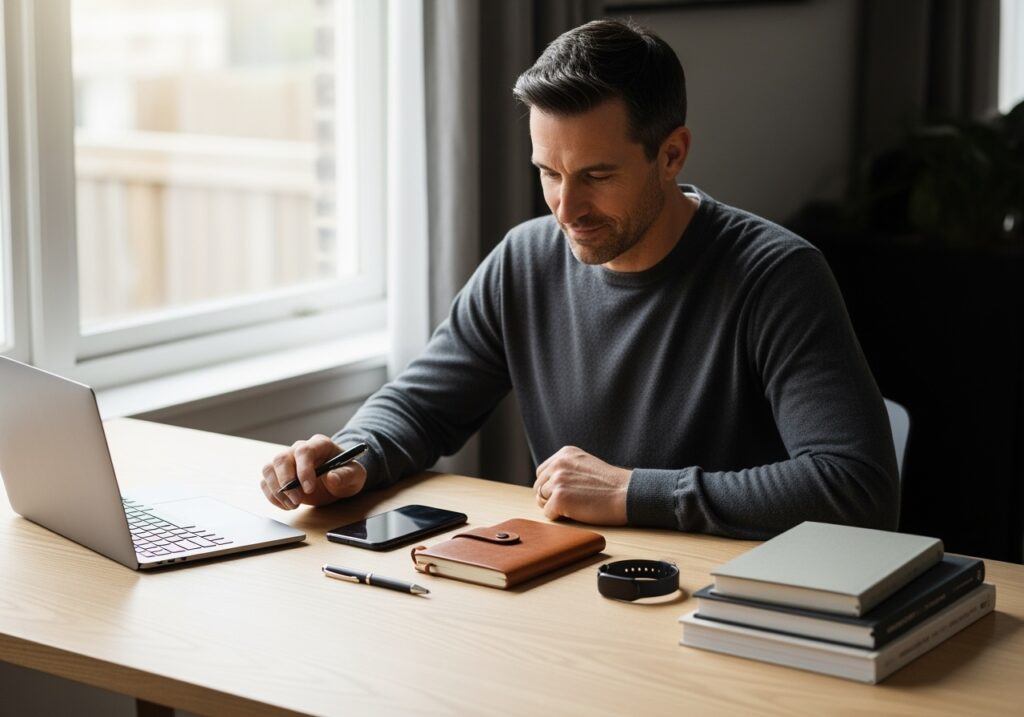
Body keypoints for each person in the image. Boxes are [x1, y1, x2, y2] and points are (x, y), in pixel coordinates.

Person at [259, 19, 898, 540]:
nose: (566, 210)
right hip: (578, 596)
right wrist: (350, 457)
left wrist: (633, 491)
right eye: (549, 172)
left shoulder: (776, 276)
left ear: (671, 154)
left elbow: (854, 486)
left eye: (596, 176)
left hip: (730, 609)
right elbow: (422, 407)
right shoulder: (525, 260)